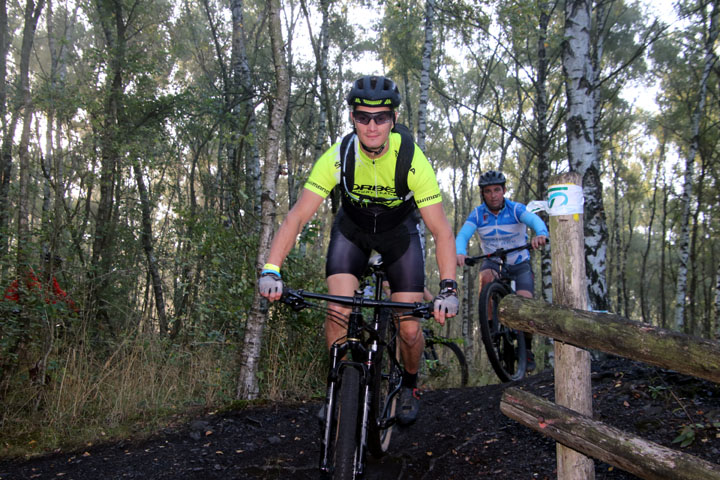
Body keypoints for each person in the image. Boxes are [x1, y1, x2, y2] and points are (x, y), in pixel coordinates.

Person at [259, 75, 458, 425]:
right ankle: (338, 387)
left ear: (394, 120)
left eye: (381, 117)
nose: (371, 126)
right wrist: (271, 269)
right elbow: (297, 217)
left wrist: (448, 288)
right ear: (352, 118)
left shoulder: (412, 159)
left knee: (410, 330)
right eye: (363, 117)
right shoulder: (340, 155)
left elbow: (440, 229)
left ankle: (410, 385)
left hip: (399, 238)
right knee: (337, 311)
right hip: (352, 233)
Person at [455, 170, 547, 372]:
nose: (493, 195)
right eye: (488, 191)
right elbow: (463, 235)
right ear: (483, 194)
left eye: (497, 190)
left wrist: (540, 234)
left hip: (519, 263)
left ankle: (527, 349)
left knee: (526, 304)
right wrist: (460, 252)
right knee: (486, 277)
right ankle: (490, 328)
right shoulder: (478, 214)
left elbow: (534, 221)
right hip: (493, 262)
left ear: (504, 190)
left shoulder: (515, 209)